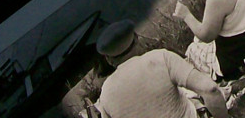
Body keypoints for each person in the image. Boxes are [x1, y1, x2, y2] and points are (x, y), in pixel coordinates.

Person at [91, 19, 229, 118]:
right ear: (137, 39)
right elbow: (210, 89)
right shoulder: (160, 58)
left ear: (109, 59)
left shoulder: (106, 93)